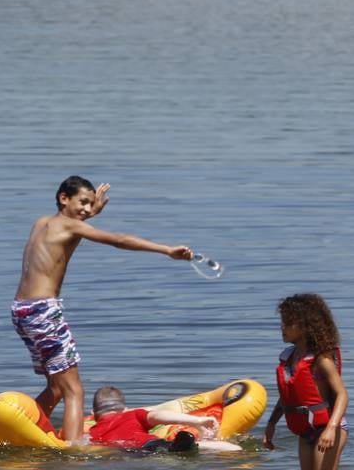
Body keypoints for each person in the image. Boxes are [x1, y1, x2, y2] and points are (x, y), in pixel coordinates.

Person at [12, 176, 192, 445]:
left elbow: (65, 234)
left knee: (56, 387)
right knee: (74, 391)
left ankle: (24, 431)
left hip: (21, 310)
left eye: (91, 204)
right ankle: (72, 453)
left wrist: (86, 215)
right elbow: (117, 239)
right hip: (43, 311)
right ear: (64, 198)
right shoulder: (71, 225)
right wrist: (166, 250)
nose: (87, 209)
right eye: (82, 202)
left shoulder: (41, 223)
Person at [263, 294, 348, 470]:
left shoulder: (321, 358)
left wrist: (331, 428)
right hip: (306, 431)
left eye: (288, 322)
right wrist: (271, 423)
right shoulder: (290, 358)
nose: (282, 327)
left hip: (329, 429)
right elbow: (289, 395)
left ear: (305, 325)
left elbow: (342, 395)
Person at [87, 386, 219, 452]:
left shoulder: (92, 433)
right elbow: (158, 416)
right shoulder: (132, 415)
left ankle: (180, 447)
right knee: (173, 448)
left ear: (93, 413)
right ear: (126, 408)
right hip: (148, 444)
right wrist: (197, 421)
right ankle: (183, 445)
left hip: (125, 452)